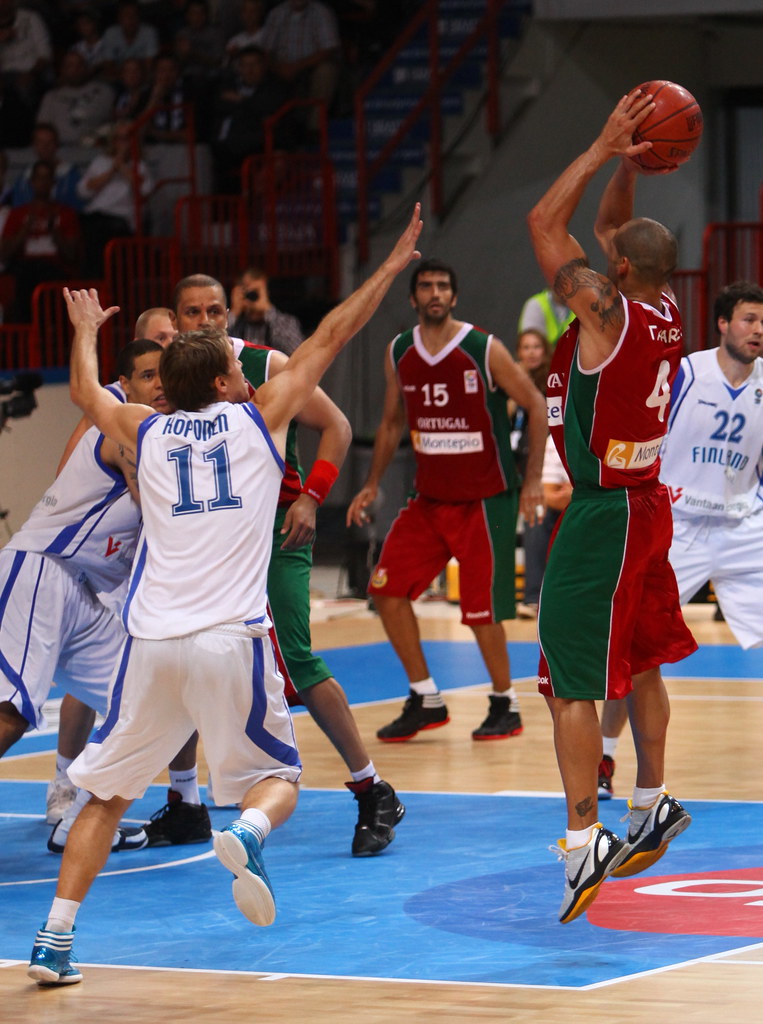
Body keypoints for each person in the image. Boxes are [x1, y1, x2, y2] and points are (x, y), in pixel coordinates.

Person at [27, 204, 423, 986]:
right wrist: (387, 268)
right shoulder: (256, 422)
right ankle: (243, 831)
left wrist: (82, 329)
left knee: (103, 795)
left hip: (149, 645)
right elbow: (334, 334)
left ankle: (55, 939)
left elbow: (84, 391)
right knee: (279, 782)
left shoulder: (144, 429)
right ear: (220, 382)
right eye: (240, 370)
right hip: (229, 640)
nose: (253, 377)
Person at [144, 273, 404, 856]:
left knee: (296, 659)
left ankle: (371, 788)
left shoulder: (261, 368)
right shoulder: (169, 379)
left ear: (230, 316)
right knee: (184, 657)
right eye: (193, 311)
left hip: (277, 529)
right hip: (209, 541)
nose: (206, 319)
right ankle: (185, 800)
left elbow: (336, 426)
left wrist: (314, 493)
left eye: (216, 309)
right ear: (176, 319)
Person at [526, 89, 698, 925]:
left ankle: (581, 836)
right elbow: (605, 235)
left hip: (603, 515)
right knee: (647, 657)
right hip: (647, 506)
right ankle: (652, 799)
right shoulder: (665, 308)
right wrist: (637, 162)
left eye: (604, 264)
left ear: (615, 278)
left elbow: (542, 226)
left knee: (569, 682)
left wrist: (599, 148)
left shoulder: (606, 318)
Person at [347, 258, 547, 741]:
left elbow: (538, 407)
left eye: (442, 285)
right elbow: (393, 423)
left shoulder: (483, 348)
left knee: (481, 613)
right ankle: (425, 697)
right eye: (425, 286)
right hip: (430, 499)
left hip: (484, 500)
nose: (434, 293)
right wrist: (372, 482)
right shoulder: (399, 351)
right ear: (413, 298)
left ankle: (506, 702)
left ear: (454, 297)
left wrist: (533, 482)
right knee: (386, 591)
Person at [0, 338, 169, 852]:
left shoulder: (168, 436)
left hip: (84, 598)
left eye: (165, 374)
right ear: (124, 387)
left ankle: (76, 817)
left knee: (142, 702)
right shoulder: (123, 429)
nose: (158, 384)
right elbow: (153, 494)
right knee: (12, 710)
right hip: (43, 569)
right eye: (145, 375)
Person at [598, 279, 763, 798]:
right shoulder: (689, 371)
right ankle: (604, 756)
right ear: (722, 323)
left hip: (744, 526)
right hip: (678, 523)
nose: (758, 330)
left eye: (762, 322)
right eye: (748, 319)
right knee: (634, 648)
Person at [0, 158, 82, 320]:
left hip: (55, 269)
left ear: (53, 182)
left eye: (47, 178)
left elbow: (72, 255)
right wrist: (25, 229)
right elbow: (4, 254)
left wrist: (55, 230)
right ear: (32, 182)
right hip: (24, 269)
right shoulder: (18, 213)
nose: (42, 183)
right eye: (39, 178)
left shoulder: (66, 213)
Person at [510, 328, 552, 619]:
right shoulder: (510, 381)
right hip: (515, 467)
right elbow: (504, 416)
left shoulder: (552, 382)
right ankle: (528, 597)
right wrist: (516, 384)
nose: (532, 352)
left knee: (538, 518)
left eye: (537, 346)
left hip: (549, 468)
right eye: (526, 347)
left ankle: (538, 595)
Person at [77, 120, 153, 278]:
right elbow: (84, 190)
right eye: (119, 138)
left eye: (127, 138)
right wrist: (113, 169)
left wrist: (123, 167)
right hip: (95, 216)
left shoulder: (140, 166)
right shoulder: (100, 162)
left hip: (121, 221)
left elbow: (144, 191)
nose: (123, 143)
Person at [259, 0, 341, 138]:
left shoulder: (321, 12)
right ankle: (268, 130)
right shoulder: (276, 14)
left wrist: (296, 67)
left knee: (326, 71)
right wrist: (278, 68)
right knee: (256, 68)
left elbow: (329, 49)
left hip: (311, 66)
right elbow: (265, 51)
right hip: (280, 68)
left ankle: (314, 128)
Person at [35, 49, 115, 148]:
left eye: (79, 65)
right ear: (63, 70)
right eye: (70, 65)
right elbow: (42, 128)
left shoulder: (104, 92)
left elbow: (111, 123)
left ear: (86, 68)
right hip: (60, 150)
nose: (75, 69)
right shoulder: (51, 96)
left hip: (93, 149)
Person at [228, 264, 304, 352]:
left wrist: (268, 311)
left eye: (256, 292)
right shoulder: (234, 325)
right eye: (248, 292)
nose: (252, 296)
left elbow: (297, 353)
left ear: (267, 292)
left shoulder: (286, 322)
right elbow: (216, 344)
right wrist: (234, 313)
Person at [10, 123, 82, 211]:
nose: (45, 146)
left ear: (56, 145)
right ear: (34, 145)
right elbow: (18, 211)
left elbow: (76, 210)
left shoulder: (71, 176)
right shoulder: (23, 179)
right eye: (40, 142)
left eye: (49, 142)